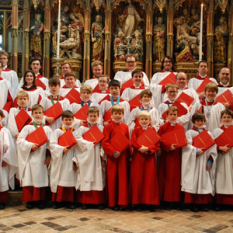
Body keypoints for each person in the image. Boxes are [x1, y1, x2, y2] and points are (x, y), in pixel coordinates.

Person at [17, 104, 52, 209]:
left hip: (42, 158)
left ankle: (41, 200)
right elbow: (20, 141)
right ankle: (30, 201)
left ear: (43, 114)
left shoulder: (47, 129)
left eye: (40, 113)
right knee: (30, 177)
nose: (38, 115)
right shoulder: (28, 127)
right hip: (30, 157)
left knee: (41, 177)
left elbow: (51, 144)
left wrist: (48, 156)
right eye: (35, 113)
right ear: (32, 114)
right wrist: (30, 145)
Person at [182, 113, 217, 212]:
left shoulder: (208, 133)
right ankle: (193, 204)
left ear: (204, 121)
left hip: (204, 160)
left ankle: (203, 203)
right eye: (198, 121)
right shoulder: (189, 132)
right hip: (194, 160)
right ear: (193, 122)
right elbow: (186, 145)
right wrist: (196, 151)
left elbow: (213, 147)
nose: (200, 122)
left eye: (202, 121)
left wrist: (210, 161)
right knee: (194, 180)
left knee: (204, 181)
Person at [75, 106, 106, 210]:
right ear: (87, 116)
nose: (93, 118)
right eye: (91, 116)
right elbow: (77, 139)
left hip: (97, 155)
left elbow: (104, 143)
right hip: (86, 156)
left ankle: (99, 201)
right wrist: (88, 144)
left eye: (95, 116)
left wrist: (103, 158)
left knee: (99, 177)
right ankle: (85, 201)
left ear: (98, 116)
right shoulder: (83, 128)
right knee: (86, 176)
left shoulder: (101, 128)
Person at [129, 111, 160, 211]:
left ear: (150, 120)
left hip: (149, 157)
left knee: (149, 179)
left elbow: (157, 144)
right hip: (138, 156)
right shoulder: (136, 130)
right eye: (142, 119)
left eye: (146, 119)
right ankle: (138, 202)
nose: (144, 121)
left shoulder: (153, 129)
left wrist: (148, 149)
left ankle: (150, 202)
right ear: (138, 120)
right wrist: (140, 148)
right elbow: (133, 142)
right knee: (138, 179)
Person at [102, 105, 130, 210]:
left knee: (122, 179)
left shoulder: (125, 127)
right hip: (113, 156)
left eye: (120, 113)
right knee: (112, 178)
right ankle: (113, 203)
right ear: (112, 114)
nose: (118, 116)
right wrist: (113, 152)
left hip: (122, 156)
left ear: (123, 114)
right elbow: (105, 142)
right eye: (116, 113)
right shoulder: (108, 126)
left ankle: (122, 202)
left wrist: (129, 155)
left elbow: (127, 141)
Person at [158, 106, 185, 210]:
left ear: (178, 116)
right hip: (166, 155)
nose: (173, 116)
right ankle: (164, 200)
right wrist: (168, 146)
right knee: (165, 176)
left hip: (177, 155)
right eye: (171, 114)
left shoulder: (181, 128)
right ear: (167, 115)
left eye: (175, 115)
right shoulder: (163, 128)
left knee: (175, 178)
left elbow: (183, 140)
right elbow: (158, 139)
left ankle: (175, 200)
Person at [49, 110, 78, 209]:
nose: (68, 122)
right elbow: (52, 145)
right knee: (60, 179)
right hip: (60, 159)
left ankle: (70, 201)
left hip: (72, 158)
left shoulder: (76, 132)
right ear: (62, 120)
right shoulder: (57, 131)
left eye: (70, 120)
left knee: (71, 179)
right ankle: (58, 201)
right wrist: (62, 149)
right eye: (66, 120)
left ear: (73, 120)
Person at [212, 109, 233, 211]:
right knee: (220, 177)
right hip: (221, 157)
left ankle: (230, 202)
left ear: (232, 118)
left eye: (228, 117)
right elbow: (212, 145)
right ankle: (219, 202)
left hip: (231, 156)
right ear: (221, 118)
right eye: (224, 117)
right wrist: (220, 148)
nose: (226, 119)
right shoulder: (217, 131)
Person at [0, 109, 17, 210]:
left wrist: (6, 159)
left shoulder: (4, 131)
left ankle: (1, 201)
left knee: (1, 180)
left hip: (1, 161)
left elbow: (10, 146)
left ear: (2, 118)